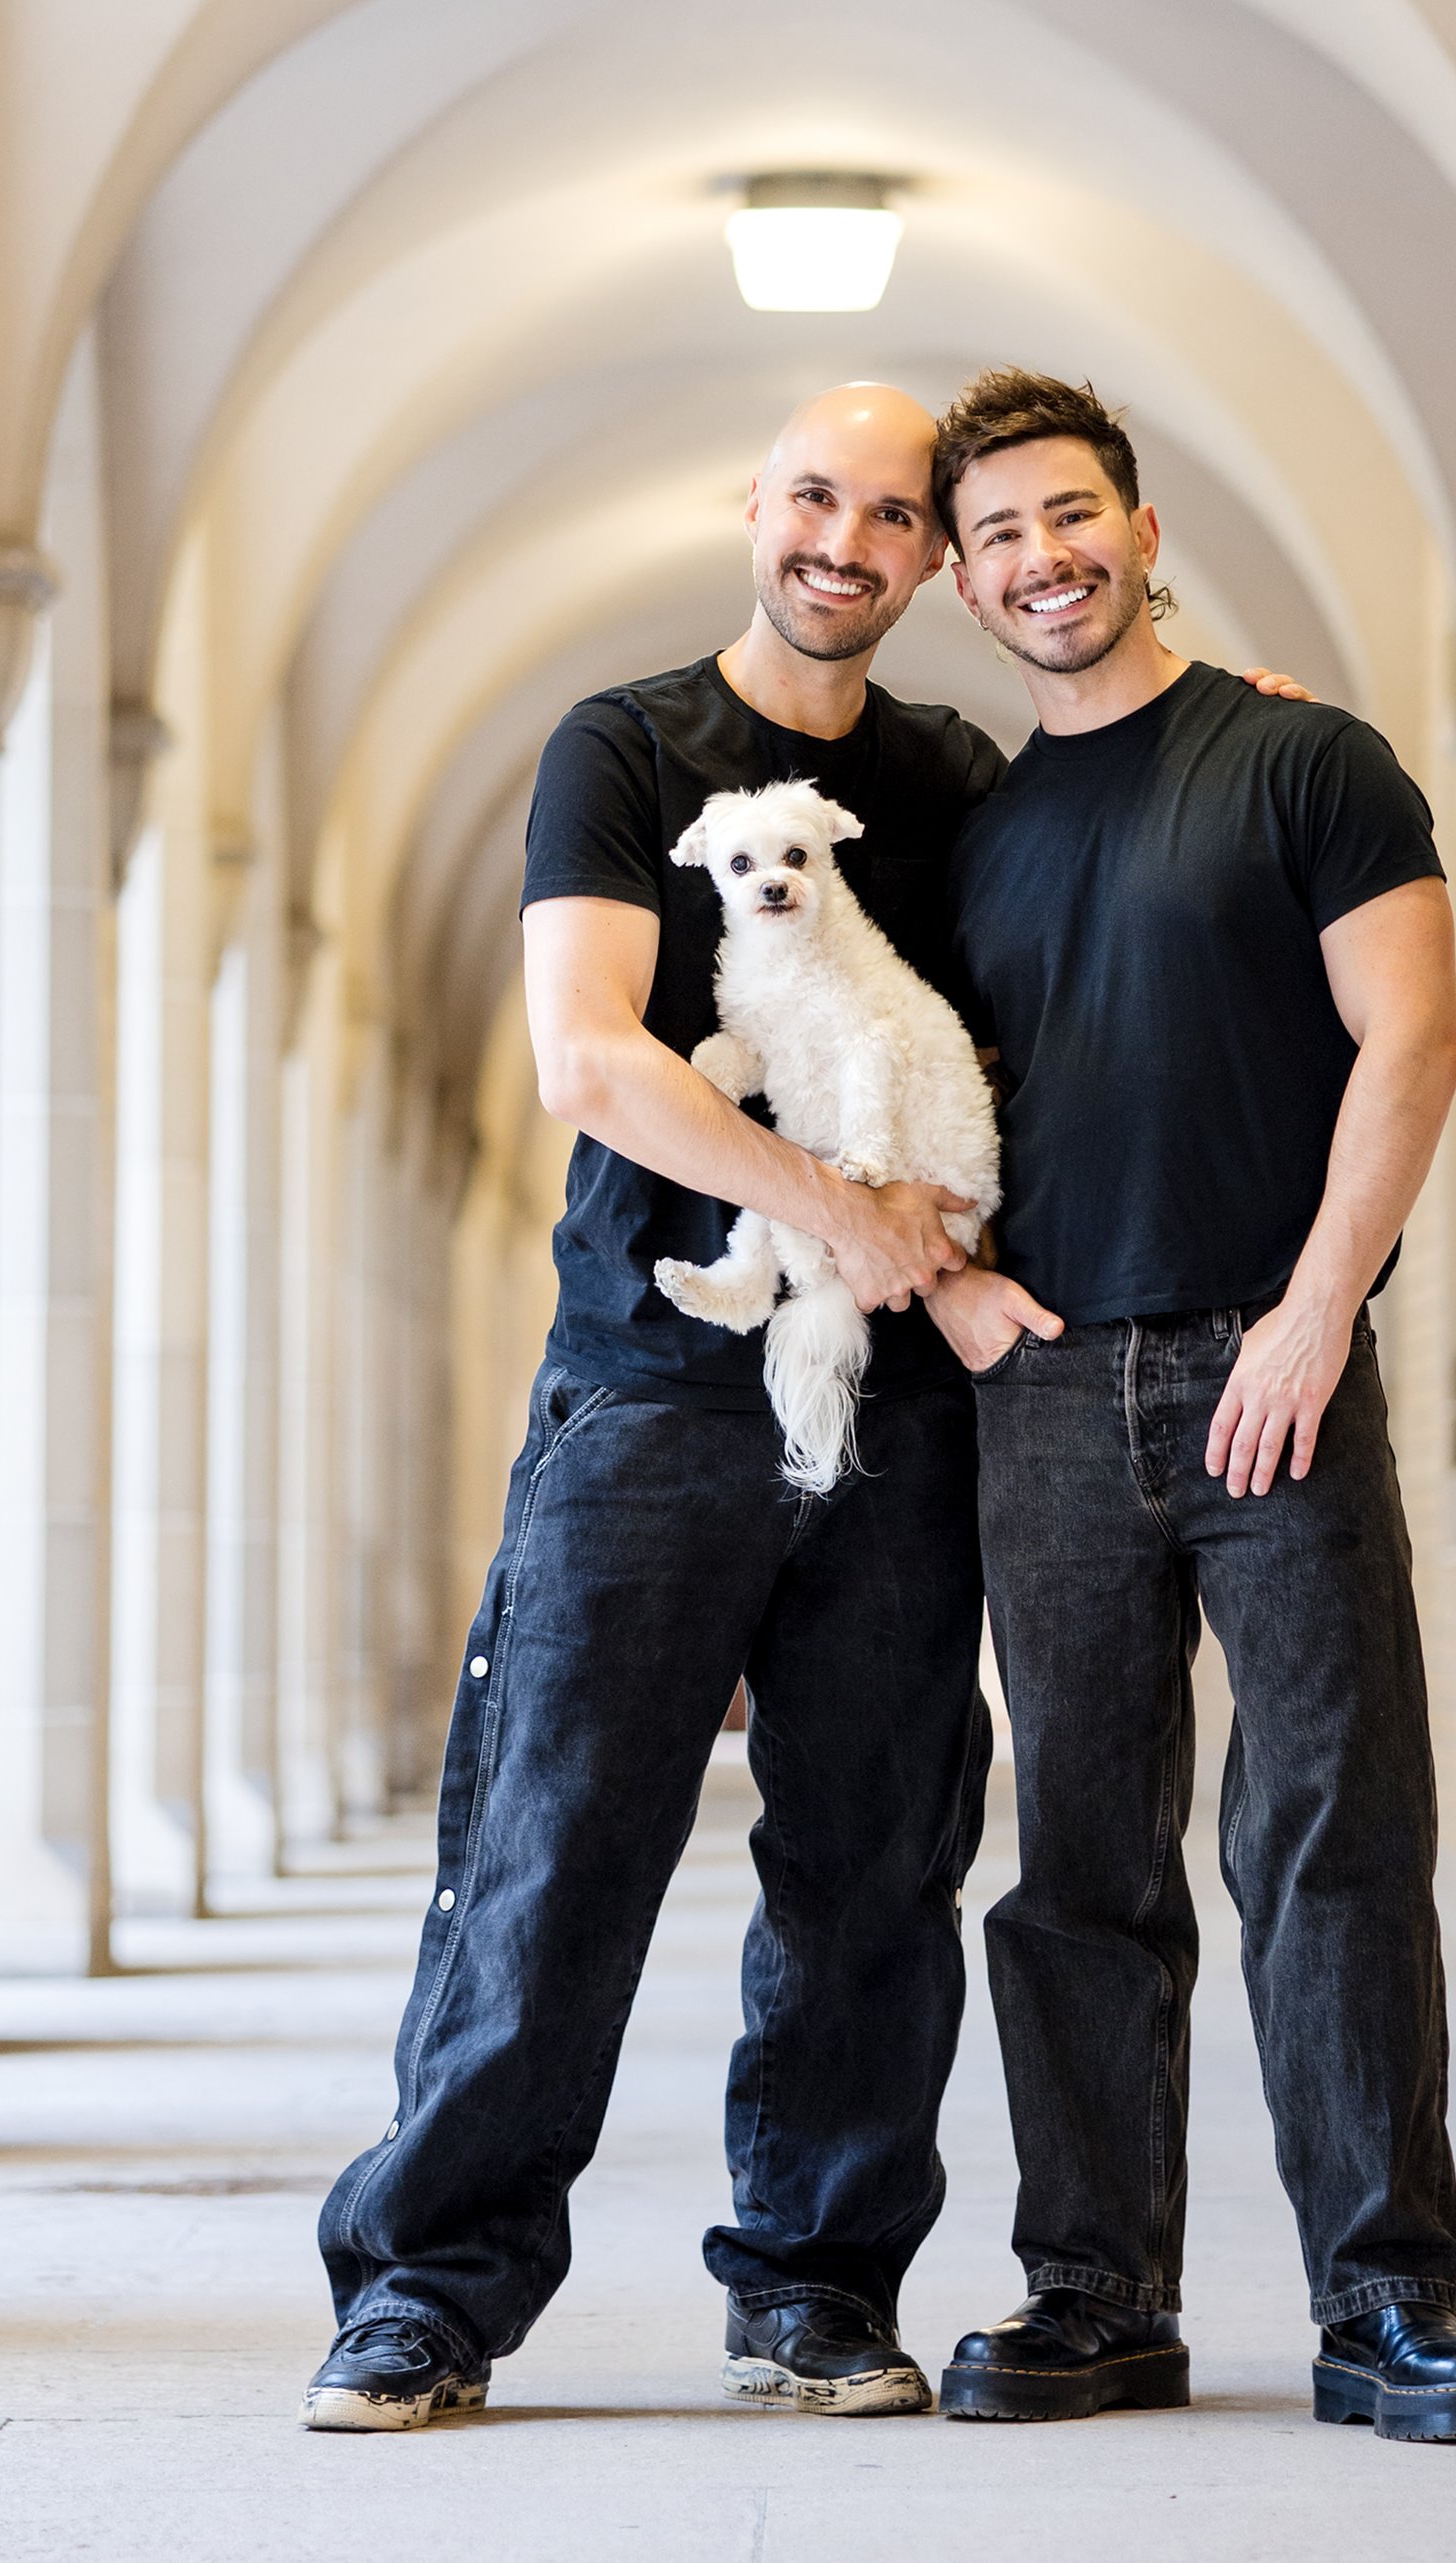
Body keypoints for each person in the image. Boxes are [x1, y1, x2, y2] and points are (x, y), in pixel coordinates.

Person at [305, 382, 1000, 2428]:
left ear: (930, 560)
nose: (844, 541)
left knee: (876, 1855)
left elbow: (1081, 936)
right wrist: (839, 1214)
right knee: (555, 1833)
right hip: (645, 1390)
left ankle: (811, 2285)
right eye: (814, 495)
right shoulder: (624, 749)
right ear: (754, 505)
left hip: (890, 1411)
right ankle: (425, 2289)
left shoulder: (951, 780)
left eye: (891, 514)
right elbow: (593, 1059)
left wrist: (1256, 721)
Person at [916, 369, 1456, 2446]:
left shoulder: (1302, 759)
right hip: (1046, 1393)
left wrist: (1310, 1314)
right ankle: (1090, 2292)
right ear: (963, 578)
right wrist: (956, 1292)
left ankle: (1382, 2306)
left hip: (1276, 1379)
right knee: (1076, 1855)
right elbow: (884, 1084)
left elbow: (1412, 1037)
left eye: (1068, 514)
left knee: (1330, 1837)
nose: (1039, 558)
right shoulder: (972, 830)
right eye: (995, 534)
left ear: (1142, 524)